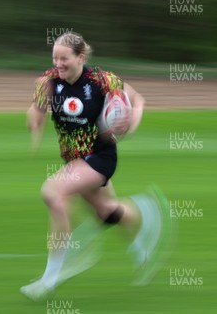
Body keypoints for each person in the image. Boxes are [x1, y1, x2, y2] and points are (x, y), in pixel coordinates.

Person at [21, 32, 170, 301]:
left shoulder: (103, 81)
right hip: (74, 161)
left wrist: (129, 127)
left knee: (53, 192)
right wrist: (34, 120)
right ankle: (146, 224)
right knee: (106, 213)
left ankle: (50, 277)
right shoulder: (48, 81)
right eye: (55, 57)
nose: (58, 63)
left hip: (100, 157)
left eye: (64, 58)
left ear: (80, 57)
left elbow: (138, 101)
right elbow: (36, 110)